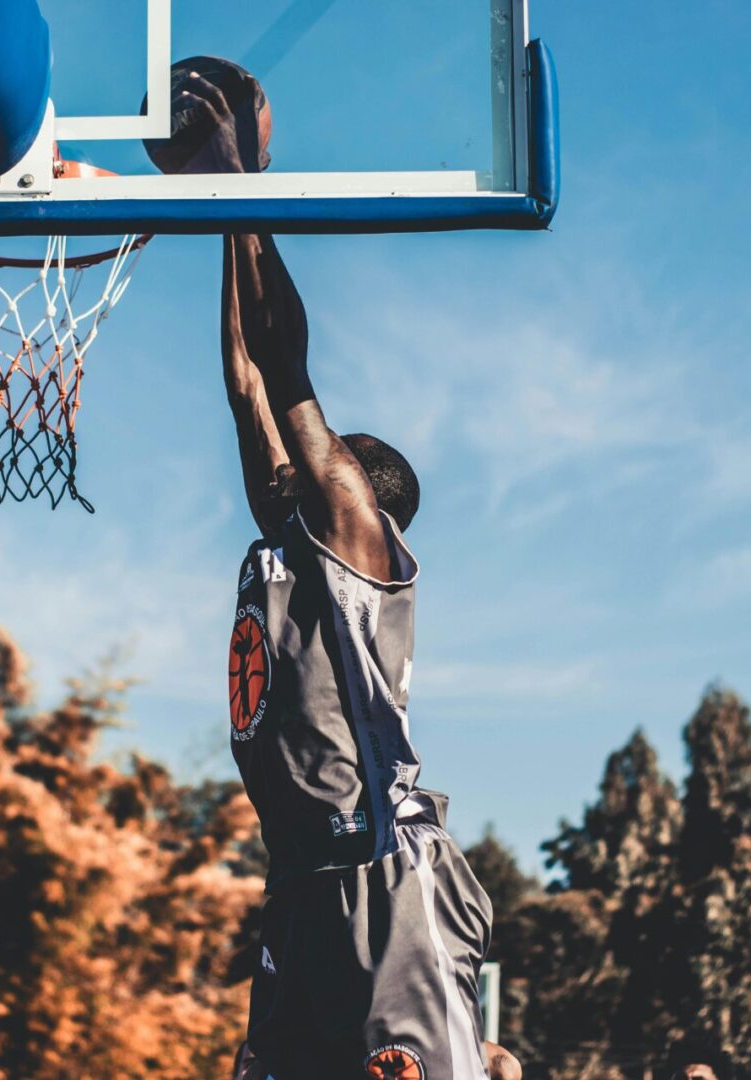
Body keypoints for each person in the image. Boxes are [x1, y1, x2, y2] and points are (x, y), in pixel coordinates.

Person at [164, 59, 520, 1080]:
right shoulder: (287, 541)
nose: (300, 449)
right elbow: (243, 382)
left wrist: (242, 179)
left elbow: (282, 367)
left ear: (362, 490)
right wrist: (217, 205)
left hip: (383, 871)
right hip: (305, 881)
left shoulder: (358, 540)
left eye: (330, 452)